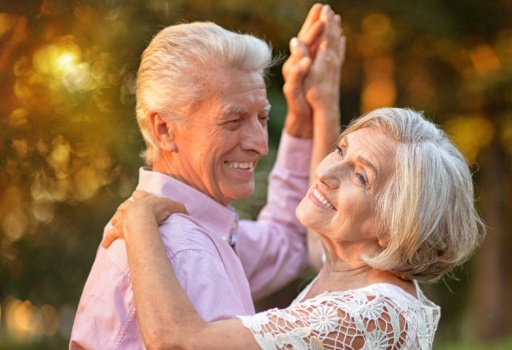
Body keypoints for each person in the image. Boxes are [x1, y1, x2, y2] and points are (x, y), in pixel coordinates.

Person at [70, 4, 345, 349]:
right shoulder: (183, 248)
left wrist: (305, 117)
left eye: (262, 118)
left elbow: (288, 241)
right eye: (233, 121)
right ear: (164, 129)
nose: (260, 145)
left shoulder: (195, 230)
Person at [104, 107, 486, 349]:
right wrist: (318, 101)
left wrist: (139, 220)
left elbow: (181, 344)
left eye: (362, 177)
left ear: (395, 226)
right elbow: (313, 243)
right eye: (340, 149)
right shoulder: (350, 272)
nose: (326, 173)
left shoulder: (375, 312)